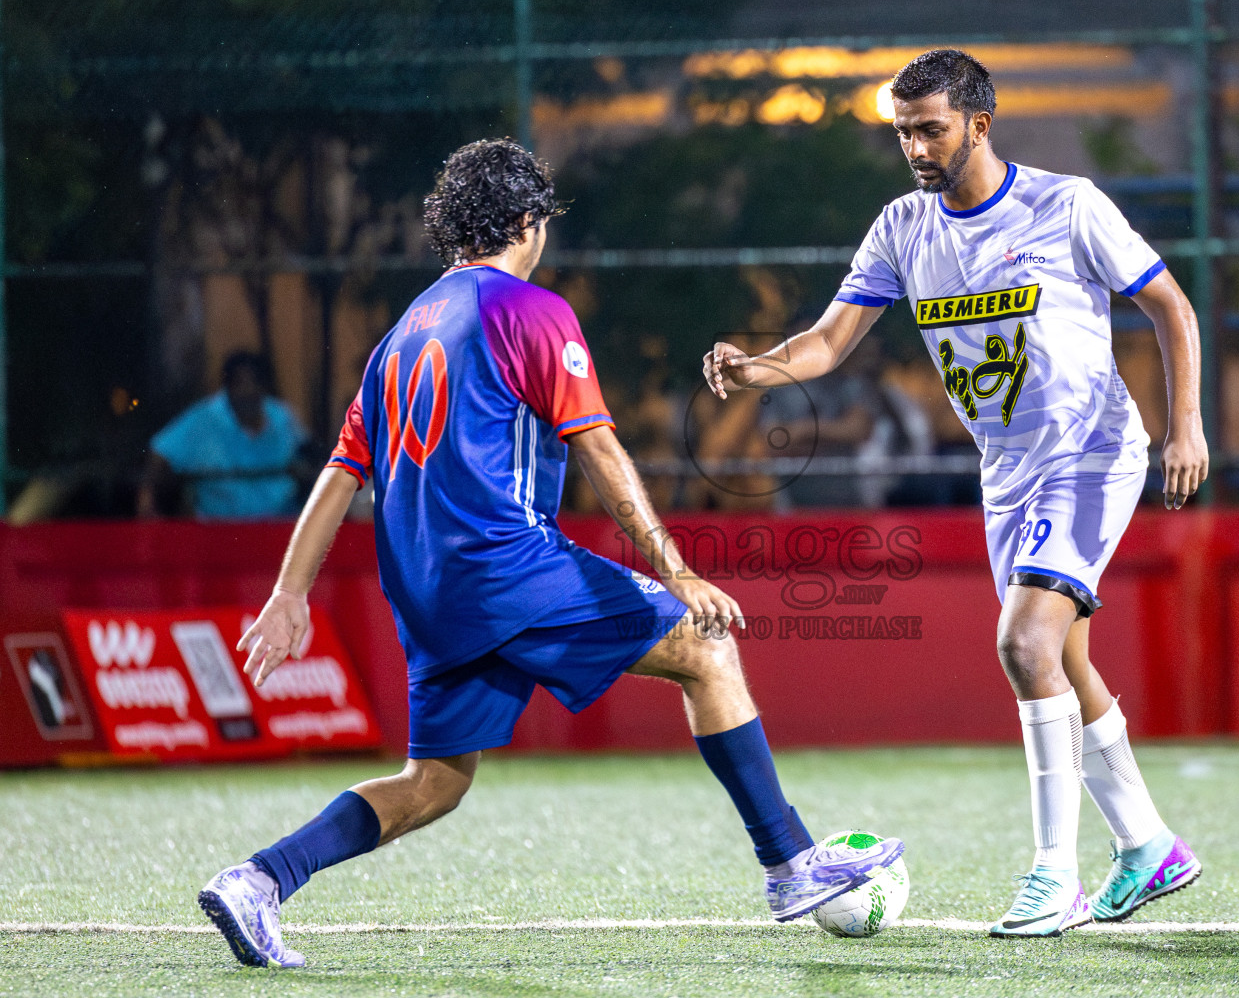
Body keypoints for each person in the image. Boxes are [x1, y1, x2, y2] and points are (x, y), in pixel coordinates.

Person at [195, 139, 902, 969]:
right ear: (528, 221)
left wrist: (289, 593)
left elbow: (339, 475)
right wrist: (675, 570)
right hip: (508, 566)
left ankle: (259, 880)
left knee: (435, 783)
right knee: (708, 648)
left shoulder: (399, 334)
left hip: (425, 590)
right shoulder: (530, 310)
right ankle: (788, 864)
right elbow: (601, 451)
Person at [704, 50, 1208, 939]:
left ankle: (1056, 875)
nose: (914, 146)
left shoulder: (1067, 205)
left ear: (980, 121)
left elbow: (1171, 305)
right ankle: (1149, 844)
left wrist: (1187, 427)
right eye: (902, 131)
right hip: (1006, 473)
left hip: (1090, 453)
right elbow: (828, 342)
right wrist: (758, 371)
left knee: (1022, 643)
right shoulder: (902, 226)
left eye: (929, 127)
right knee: (1061, 658)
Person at [138, 351, 308, 519]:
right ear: (227, 388)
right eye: (239, 383)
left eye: (254, 382)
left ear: (264, 387)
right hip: (219, 530)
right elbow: (160, 451)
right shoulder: (204, 418)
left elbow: (308, 456)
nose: (248, 391)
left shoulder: (282, 417)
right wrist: (147, 506)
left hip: (278, 526)